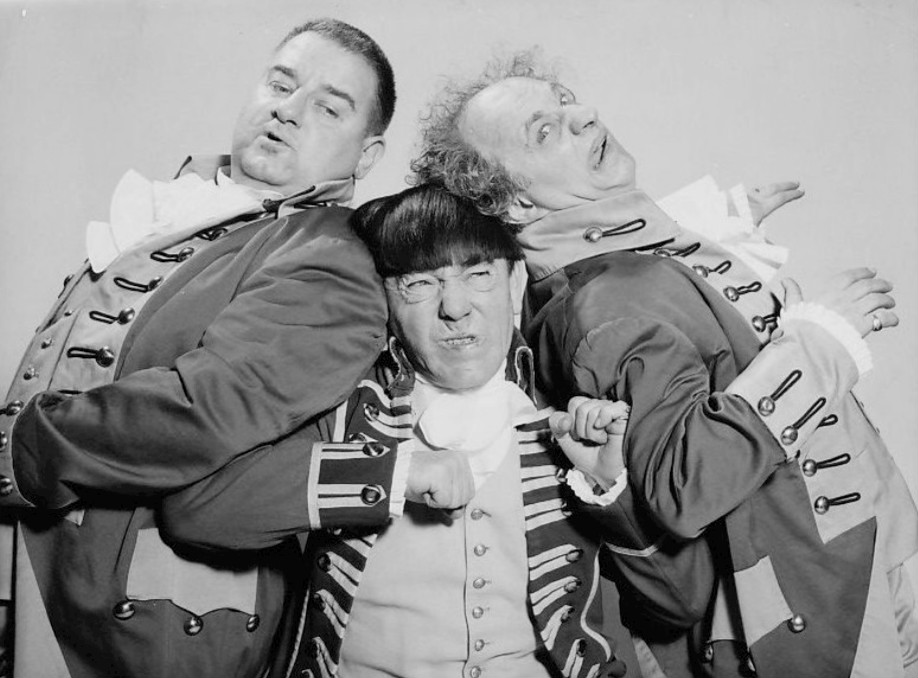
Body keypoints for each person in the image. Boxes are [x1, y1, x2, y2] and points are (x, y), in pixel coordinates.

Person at [411, 51, 918, 678]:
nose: (585, 117)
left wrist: (702, 228)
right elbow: (685, 483)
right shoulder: (611, 306)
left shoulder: (615, 276)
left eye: (567, 101)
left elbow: (626, 285)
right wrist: (822, 341)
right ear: (513, 205)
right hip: (821, 612)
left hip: (860, 558)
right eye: (545, 131)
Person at [156, 183, 713, 678]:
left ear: (516, 281)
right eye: (419, 285)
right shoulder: (343, 410)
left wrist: (607, 494)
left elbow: (678, 607)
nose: (455, 308)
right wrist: (396, 473)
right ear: (387, 304)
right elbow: (197, 513)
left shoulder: (578, 413)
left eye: (478, 276)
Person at [0, 18, 398, 678]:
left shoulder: (331, 253)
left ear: (367, 154)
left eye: (328, 108)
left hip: (153, 625)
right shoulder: (190, 216)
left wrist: (19, 452)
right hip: (46, 578)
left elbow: (206, 407)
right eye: (280, 83)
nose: (287, 111)